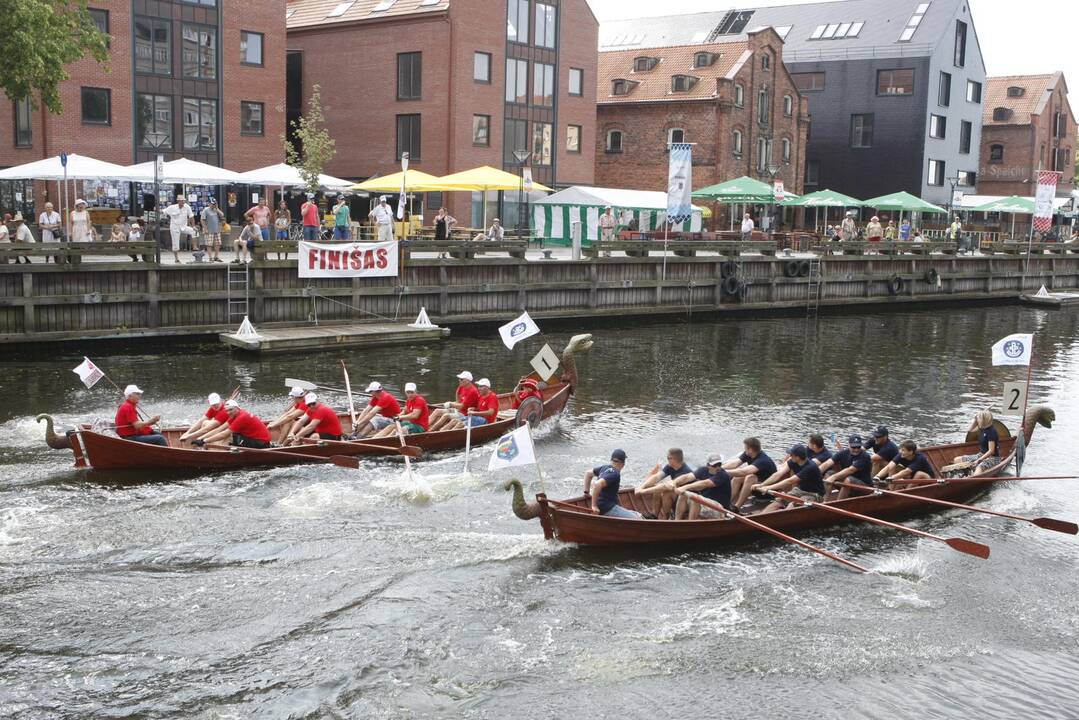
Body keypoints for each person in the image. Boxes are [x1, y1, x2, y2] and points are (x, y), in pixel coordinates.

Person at [757, 444, 826, 512]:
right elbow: (778, 474)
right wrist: (762, 485)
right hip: (800, 490)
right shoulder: (793, 461)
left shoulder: (810, 467)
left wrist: (768, 488)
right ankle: (760, 517)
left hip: (815, 494)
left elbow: (790, 481)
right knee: (779, 500)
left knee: (793, 505)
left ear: (798, 457)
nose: (789, 456)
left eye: (791, 455)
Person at [634, 448, 695, 519]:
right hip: (677, 496)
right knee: (657, 490)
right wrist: (641, 487)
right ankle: (654, 515)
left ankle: (666, 517)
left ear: (673, 459)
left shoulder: (685, 472)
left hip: (686, 502)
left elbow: (667, 486)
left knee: (666, 493)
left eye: (668, 458)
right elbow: (657, 477)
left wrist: (642, 491)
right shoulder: (670, 466)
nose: (667, 460)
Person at [584, 449, 641, 519]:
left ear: (611, 460)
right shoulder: (615, 473)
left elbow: (588, 473)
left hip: (604, 504)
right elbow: (597, 484)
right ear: (623, 464)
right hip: (607, 508)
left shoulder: (604, 468)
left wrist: (586, 492)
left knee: (635, 514)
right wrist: (594, 506)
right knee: (637, 518)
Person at [672, 453, 731, 519]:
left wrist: (685, 487)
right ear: (708, 465)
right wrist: (673, 483)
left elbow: (706, 483)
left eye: (719, 464)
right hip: (706, 504)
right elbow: (687, 477)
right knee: (683, 495)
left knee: (695, 498)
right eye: (714, 465)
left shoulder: (722, 475)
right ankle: (677, 521)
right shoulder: (703, 470)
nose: (718, 467)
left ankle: (689, 525)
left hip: (720, 509)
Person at [726, 437, 778, 511]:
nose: (744, 449)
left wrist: (724, 472)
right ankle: (727, 502)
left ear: (750, 449)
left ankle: (736, 507)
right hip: (755, 486)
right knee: (737, 477)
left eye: (745, 448)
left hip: (766, 491)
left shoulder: (763, 460)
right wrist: (719, 468)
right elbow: (735, 464)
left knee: (750, 477)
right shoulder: (749, 454)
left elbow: (744, 472)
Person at [198, 400, 272, 449]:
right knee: (232, 434)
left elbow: (224, 434)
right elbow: (219, 430)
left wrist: (205, 441)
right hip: (256, 439)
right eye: (227, 411)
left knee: (230, 435)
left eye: (231, 409)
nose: (229, 412)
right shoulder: (235, 415)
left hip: (261, 443)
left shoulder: (242, 417)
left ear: (237, 408)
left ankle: (222, 452)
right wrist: (201, 439)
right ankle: (221, 448)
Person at [820, 435, 874, 500]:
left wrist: (833, 477)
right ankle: (824, 501)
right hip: (850, 484)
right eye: (853, 447)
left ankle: (838, 503)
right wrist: (815, 473)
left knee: (848, 480)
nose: (856, 450)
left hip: (865, 488)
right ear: (849, 445)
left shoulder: (865, 456)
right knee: (829, 474)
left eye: (858, 447)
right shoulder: (843, 453)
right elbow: (827, 463)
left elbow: (850, 470)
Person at [952, 410, 1000, 476]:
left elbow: (991, 451)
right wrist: (975, 419)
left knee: (979, 468)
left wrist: (979, 460)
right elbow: (970, 430)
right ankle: (966, 473)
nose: (978, 420)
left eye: (979, 419)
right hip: (981, 455)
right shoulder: (982, 428)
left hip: (992, 458)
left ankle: (972, 478)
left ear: (984, 420)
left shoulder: (991, 432)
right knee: (957, 460)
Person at [163, 195, 195, 264]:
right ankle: (176, 258)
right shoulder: (172, 207)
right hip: (175, 227)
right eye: (181, 201)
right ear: (178, 201)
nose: (182, 202)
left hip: (184, 226)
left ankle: (195, 246)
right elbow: (164, 211)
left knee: (195, 231)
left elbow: (191, 216)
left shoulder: (187, 207)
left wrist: (193, 226)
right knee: (175, 244)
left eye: (183, 201)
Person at [69, 199, 96, 265]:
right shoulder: (72, 213)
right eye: (80, 205)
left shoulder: (86, 212)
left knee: (84, 243)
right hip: (76, 229)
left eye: (82, 205)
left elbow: (88, 222)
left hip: (84, 229)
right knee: (76, 244)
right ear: (77, 206)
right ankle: (77, 258)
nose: (81, 207)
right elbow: (71, 223)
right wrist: (70, 232)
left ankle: (86, 258)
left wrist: (88, 230)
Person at [200, 198, 225, 262]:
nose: (213, 205)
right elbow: (202, 220)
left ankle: (216, 256)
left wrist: (217, 208)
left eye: (215, 204)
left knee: (217, 243)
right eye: (212, 204)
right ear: (209, 204)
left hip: (216, 229)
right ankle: (210, 257)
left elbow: (222, 215)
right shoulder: (206, 210)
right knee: (209, 244)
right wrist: (205, 228)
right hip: (209, 230)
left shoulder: (216, 210)